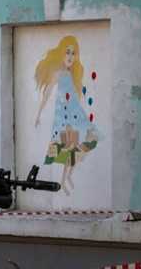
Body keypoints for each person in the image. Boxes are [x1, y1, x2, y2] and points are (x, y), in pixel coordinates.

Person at [34, 35, 99, 196]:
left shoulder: (73, 74)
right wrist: (39, 114)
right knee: (69, 148)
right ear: (61, 53)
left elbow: (75, 96)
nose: (70, 56)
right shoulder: (59, 73)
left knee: (88, 140)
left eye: (73, 53)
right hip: (65, 116)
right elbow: (47, 93)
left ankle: (68, 175)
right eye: (67, 52)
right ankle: (64, 180)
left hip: (75, 114)